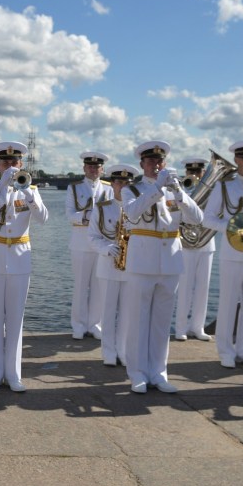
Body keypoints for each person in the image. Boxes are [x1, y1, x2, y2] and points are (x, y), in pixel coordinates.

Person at [121, 141, 203, 394]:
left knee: (161, 322)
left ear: (165, 164)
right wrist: (157, 188)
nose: (156, 165)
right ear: (142, 164)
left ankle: (159, 372)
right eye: (150, 162)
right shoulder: (131, 189)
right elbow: (133, 214)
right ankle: (137, 373)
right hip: (143, 261)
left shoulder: (173, 190)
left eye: (160, 162)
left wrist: (179, 193)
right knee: (138, 320)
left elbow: (197, 219)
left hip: (170, 260)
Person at [0, 141, 48, 393]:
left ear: (21, 164)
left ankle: (14, 374)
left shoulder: (30, 189)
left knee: (15, 318)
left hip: (19, 257)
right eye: (5, 163)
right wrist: (0, 186)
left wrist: (29, 195)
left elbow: (43, 218)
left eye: (14, 163)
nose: (10, 167)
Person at [201, 141, 243, 369]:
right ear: (237, 160)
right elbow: (208, 218)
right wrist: (232, 227)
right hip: (232, 251)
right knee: (228, 302)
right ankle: (225, 350)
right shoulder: (224, 186)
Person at [87, 163, 138, 366]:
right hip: (108, 265)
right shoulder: (102, 208)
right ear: (112, 184)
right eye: (118, 182)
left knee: (127, 312)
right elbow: (91, 237)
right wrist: (106, 248)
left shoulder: (138, 209)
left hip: (132, 266)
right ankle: (108, 352)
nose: (123, 186)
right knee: (107, 312)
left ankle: (123, 350)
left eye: (127, 182)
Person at [66, 152, 112, 340]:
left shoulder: (109, 189)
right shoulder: (74, 188)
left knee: (100, 286)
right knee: (80, 286)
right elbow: (69, 215)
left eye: (97, 166)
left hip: (102, 243)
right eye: (90, 166)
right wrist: (87, 216)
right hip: (81, 243)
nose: (93, 169)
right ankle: (78, 324)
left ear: (102, 169)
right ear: (84, 168)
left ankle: (95, 324)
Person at [173, 157, 214, 341]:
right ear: (187, 172)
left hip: (206, 242)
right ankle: (181, 328)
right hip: (187, 244)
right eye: (192, 171)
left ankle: (198, 327)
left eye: (199, 172)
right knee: (185, 287)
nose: (195, 175)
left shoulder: (213, 190)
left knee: (203, 288)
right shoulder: (181, 188)